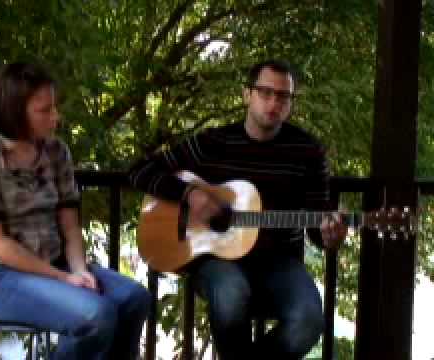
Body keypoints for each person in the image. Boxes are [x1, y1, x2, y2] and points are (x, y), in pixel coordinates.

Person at [128, 59, 347, 359]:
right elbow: (139, 171)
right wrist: (190, 195)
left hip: (279, 263)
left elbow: (317, 225)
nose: (273, 102)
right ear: (247, 94)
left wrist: (330, 237)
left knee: (309, 320)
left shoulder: (307, 152)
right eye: (265, 92)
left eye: (283, 96)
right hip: (216, 260)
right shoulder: (213, 143)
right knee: (231, 294)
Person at [0, 62, 151, 360]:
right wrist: (62, 279)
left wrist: (78, 269)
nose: (56, 117)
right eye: (44, 110)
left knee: (134, 299)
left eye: (54, 107)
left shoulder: (56, 151)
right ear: (14, 110)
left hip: (57, 264)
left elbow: (70, 227)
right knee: (96, 316)